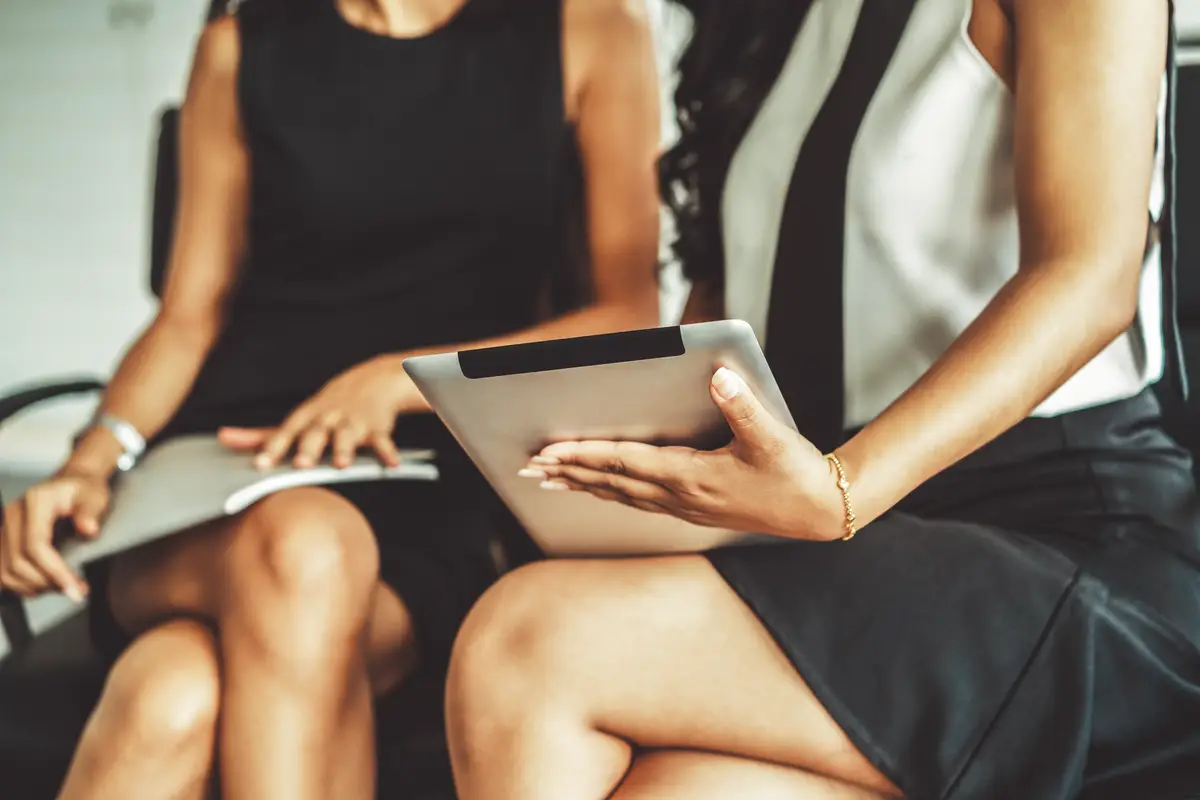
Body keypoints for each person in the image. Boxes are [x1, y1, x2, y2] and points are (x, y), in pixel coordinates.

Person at [442, 0, 1200, 798]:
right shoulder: (772, 24)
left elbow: (1089, 279)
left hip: (1051, 535)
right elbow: (726, 333)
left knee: (527, 641)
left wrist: (843, 489)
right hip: (833, 541)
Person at [0, 0, 661, 797]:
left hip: (429, 484)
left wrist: (400, 377)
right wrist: (90, 460)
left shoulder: (590, 30)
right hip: (223, 472)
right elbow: (187, 317)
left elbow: (629, 313)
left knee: (175, 694)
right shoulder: (238, 46)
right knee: (304, 543)